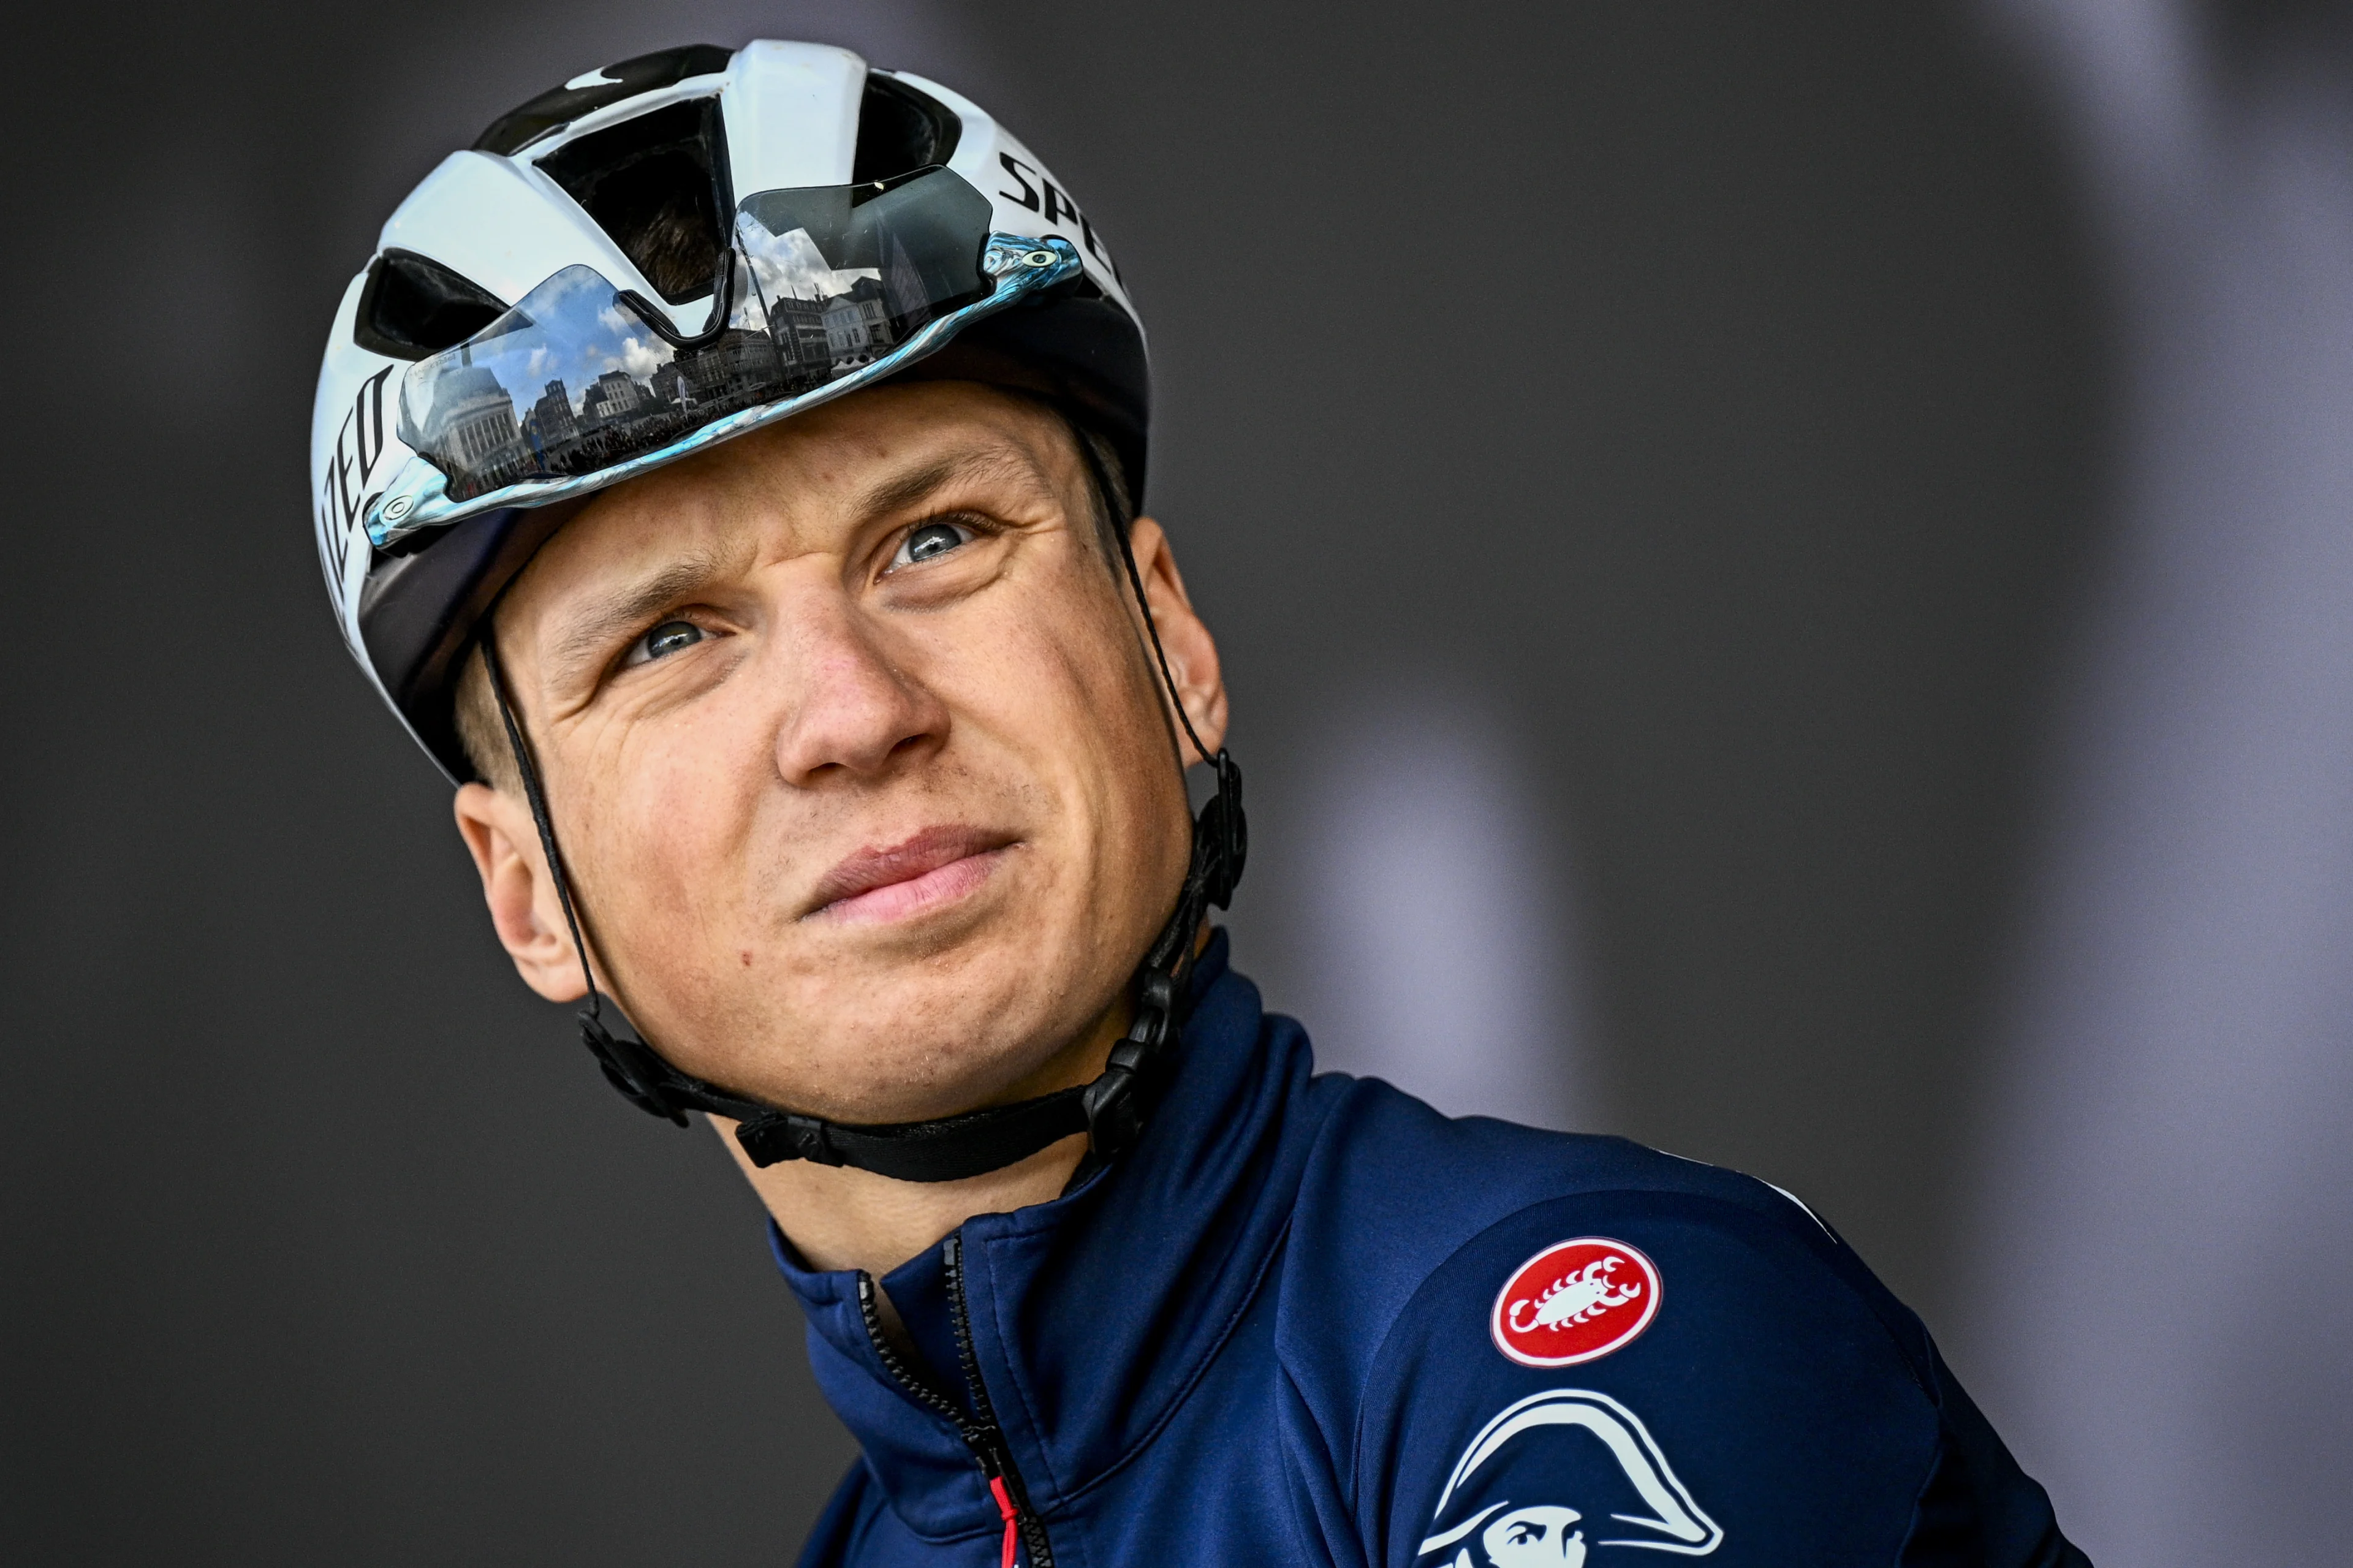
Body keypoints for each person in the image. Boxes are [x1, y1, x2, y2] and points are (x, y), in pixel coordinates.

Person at [310, 40, 2089, 1568]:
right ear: (525, 890)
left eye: (937, 539)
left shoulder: (1604, 1338)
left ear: (1172, 637)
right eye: (674, 637)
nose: (852, 715)